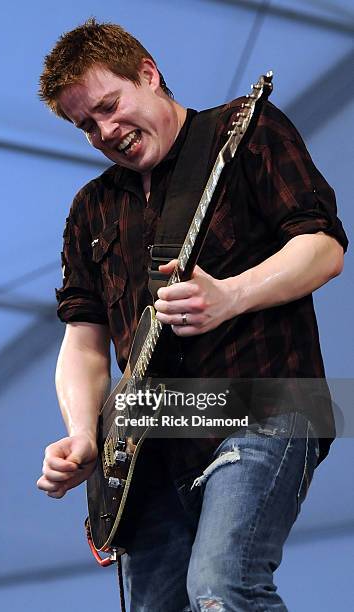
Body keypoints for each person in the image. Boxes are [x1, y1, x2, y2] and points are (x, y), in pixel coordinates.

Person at [36, 18, 348, 612]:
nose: (106, 131)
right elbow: (83, 339)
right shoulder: (91, 209)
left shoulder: (243, 130)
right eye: (87, 125)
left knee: (223, 588)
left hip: (266, 404)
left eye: (110, 105)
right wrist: (82, 435)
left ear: (148, 74)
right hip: (152, 442)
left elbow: (324, 247)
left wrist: (230, 295)